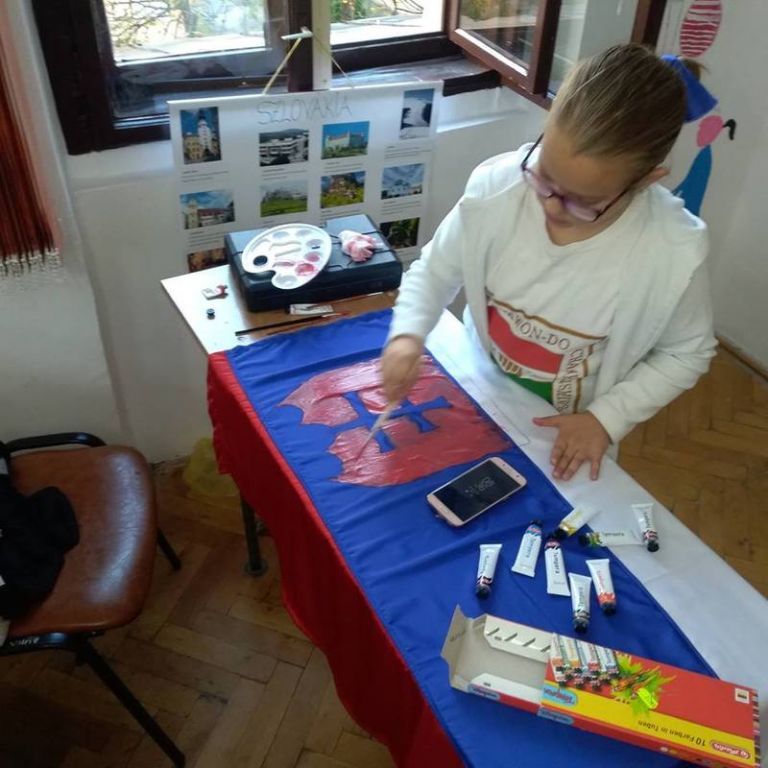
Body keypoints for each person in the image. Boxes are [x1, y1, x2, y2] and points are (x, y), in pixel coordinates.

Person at [381, 44, 718, 482]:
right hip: (477, 394)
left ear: (647, 180)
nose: (553, 206)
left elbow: (686, 352)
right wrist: (407, 335)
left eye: (584, 202)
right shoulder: (497, 190)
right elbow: (434, 271)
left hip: (569, 436)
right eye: (543, 176)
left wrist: (605, 419)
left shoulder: (672, 250)